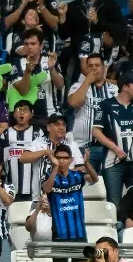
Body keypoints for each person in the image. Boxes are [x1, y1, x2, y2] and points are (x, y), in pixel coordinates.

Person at [57, 0, 126, 83]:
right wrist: (62, 18)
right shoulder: (72, 6)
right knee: (74, 89)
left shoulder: (109, 4)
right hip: (78, 55)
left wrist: (98, 22)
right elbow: (63, 35)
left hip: (104, 55)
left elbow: (121, 30)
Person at [43, 144, 99, 262]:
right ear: (54, 159)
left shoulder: (78, 176)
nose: (61, 161)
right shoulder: (49, 176)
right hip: (59, 235)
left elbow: (95, 179)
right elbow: (47, 189)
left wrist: (86, 163)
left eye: (65, 158)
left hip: (79, 234)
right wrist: (55, 168)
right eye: (58, 158)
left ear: (71, 159)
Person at [68, 54, 116, 171]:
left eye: (97, 65)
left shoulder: (114, 89)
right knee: (84, 184)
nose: (94, 68)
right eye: (90, 66)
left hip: (110, 148)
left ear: (104, 67)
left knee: (107, 186)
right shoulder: (77, 86)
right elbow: (74, 102)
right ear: (86, 69)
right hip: (84, 147)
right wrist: (87, 81)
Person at [92, 71, 133, 211]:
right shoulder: (106, 105)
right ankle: (115, 230)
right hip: (113, 163)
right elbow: (96, 131)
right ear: (125, 87)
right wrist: (115, 148)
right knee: (113, 203)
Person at [7, 29, 64, 127]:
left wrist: (52, 69)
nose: (29, 47)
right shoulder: (16, 64)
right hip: (25, 117)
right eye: (26, 44)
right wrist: (27, 72)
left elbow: (60, 86)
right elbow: (23, 91)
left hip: (50, 115)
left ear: (41, 45)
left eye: (33, 44)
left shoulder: (50, 60)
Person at [21, 113, 84, 201]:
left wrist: (65, 173)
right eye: (57, 124)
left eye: (64, 125)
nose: (61, 128)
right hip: (40, 199)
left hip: (65, 198)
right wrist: (45, 152)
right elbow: (23, 158)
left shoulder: (72, 145)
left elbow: (81, 168)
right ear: (48, 127)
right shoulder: (39, 142)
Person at [1, 101, 44, 202]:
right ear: (14, 114)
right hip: (11, 187)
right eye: (18, 110)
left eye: (25, 110)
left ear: (31, 114)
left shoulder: (38, 132)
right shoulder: (6, 133)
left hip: (33, 187)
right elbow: (3, 159)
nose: (21, 113)